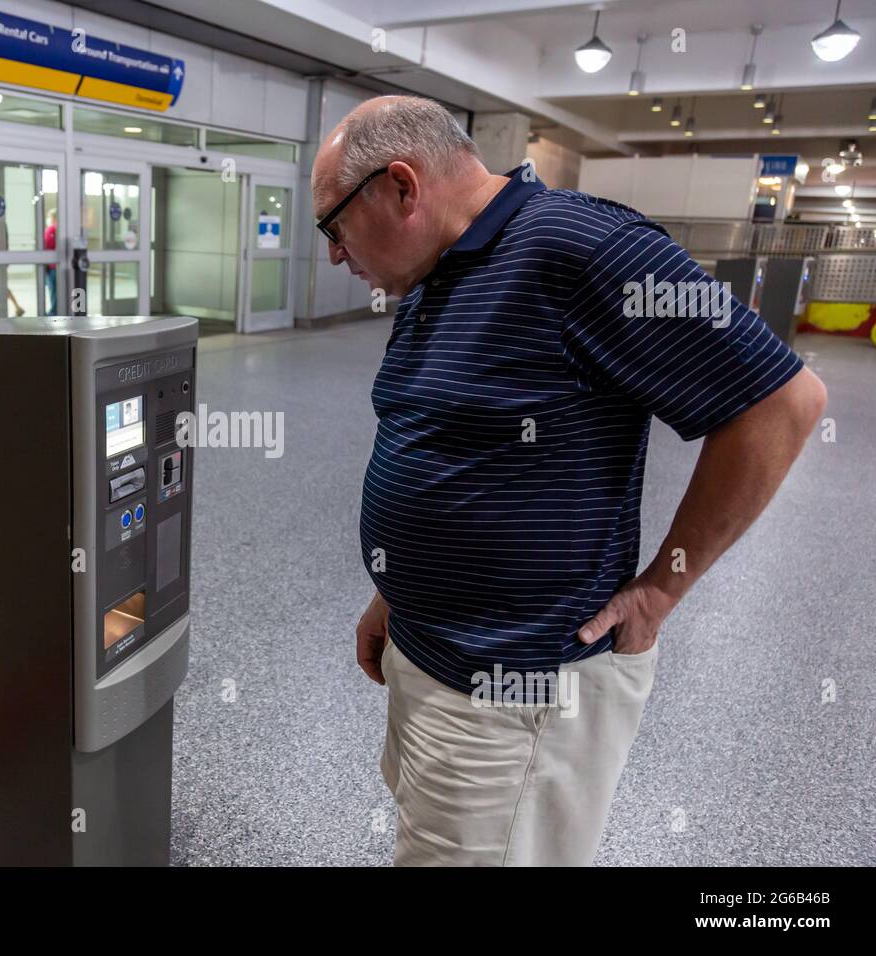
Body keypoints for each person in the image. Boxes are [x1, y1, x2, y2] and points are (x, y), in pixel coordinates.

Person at [312, 96, 827, 866]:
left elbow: (782, 404)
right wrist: (397, 588)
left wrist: (662, 587)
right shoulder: (436, 271)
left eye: (333, 224)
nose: (333, 253)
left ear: (401, 187)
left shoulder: (586, 251)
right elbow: (448, 442)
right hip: (427, 652)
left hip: (516, 691)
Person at [43, 211, 58, 314]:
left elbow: (45, 245)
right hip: (57, 265)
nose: (48, 219)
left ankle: (53, 312)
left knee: (54, 291)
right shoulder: (65, 228)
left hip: (52, 266)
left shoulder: (51, 229)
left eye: (49, 217)